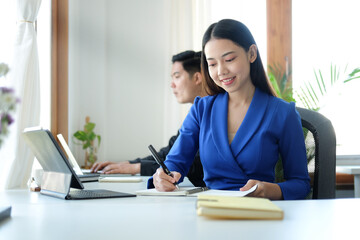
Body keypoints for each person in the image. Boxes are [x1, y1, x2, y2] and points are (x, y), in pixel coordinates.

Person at [151, 19, 311, 200]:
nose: (221, 71)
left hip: (259, 213)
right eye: (212, 64)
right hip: (210, 210)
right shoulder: (202, 109)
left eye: (229, 59)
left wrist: (270, 190)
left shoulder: (282, 113)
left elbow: (300, 184)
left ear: (251, 54)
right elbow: (174, 163)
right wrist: (162, 177)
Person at [91, 50, 206, 187]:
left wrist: (135, 168)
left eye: (177, 76)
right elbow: (169, 152)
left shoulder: (214, 113)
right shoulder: (195, 114)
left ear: (197, 78)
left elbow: (195, 164)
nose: (172, 84)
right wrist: (127, 164)